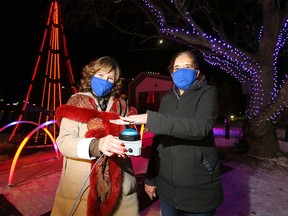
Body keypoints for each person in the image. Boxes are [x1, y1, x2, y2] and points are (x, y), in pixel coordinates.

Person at [111, 51, 224, 215]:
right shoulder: (167, 99)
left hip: (199, 188)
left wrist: (150, 119)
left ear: (197, 72)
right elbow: (157, 141)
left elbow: (201, 128)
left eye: (187, 67)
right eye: (177, 68)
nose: (181, 71)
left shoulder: (207, 93)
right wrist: (150, 178)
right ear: (172, 75)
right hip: (167, 189)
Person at [51, 56, 140, 216]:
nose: (105, 80)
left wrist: (130, 143)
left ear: (115, 82)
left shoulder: (122, 106)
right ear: (91, 75)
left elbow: (129, 137)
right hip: (81, 189)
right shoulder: (75, 103)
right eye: (100, 75)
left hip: (120, 189)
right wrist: (96, 145)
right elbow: (64, 142)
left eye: (110, 78)